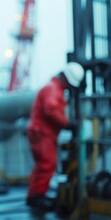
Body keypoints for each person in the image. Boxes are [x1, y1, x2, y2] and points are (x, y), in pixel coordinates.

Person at [26, 62, 85, 210]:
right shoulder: (52, 89)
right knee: (48, 165)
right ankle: (37, 196)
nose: (69, 87)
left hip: (42, 133)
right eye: (70, 84)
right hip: (43, 134)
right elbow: (50, 110)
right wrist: (68, 123)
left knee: (41, 166)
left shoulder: (52, 88)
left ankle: (35, 195)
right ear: (65, 78)